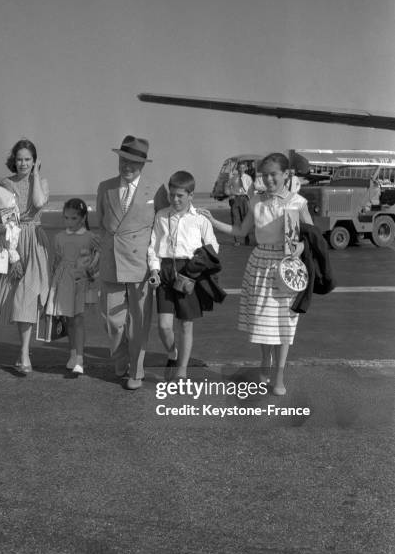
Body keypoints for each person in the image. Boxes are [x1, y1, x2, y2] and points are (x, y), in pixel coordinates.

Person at [199, 153, 313, 396]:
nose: (269, 179)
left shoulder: (298, 203)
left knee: (284, 324)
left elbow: (312, 239)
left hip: (287, 268)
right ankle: (266, 365)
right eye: (264, 175)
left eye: (274, 174)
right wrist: (212, 221)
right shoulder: (256, 202)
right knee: (263, 322)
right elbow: (240, 230)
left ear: (286, 174)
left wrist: (297, 250)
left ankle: (279, 375)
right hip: (260, 264)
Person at [0, 139, 50, 374]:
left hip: (35, 241)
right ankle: (22, 352)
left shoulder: (40, 182)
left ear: (34, 161)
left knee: (28, 297)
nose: (23, 163)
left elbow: (39, 202)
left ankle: (23, 354)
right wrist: (14, 256)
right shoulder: (5, 184)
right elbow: (1, 217)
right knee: (15, 298)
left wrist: (36, 175)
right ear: (14, 160)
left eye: (28, 159)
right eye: (20, 159)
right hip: (13, 241)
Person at [96, 135, 157, 390]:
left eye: (133, 162)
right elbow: (101, 222)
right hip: (111, 262)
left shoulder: (156, 190)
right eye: (123, 160)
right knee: (112, 321)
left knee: (139, 322)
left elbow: (160, 226)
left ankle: (137, 370)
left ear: (143, 165)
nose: (127, 167)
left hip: (140, 264)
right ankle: (120, 355)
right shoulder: (105, 187)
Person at [148, 171, 220, 380]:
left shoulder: (200, 219)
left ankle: (182, 371)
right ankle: (172, 353)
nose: (175, 199)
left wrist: (199, 264)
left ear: (191, 195)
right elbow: (153, 246)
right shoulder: (161, 215)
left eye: (180, 195)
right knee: (163, 325)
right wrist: (154, 269)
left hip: (189, 272)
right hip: (166, 270)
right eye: (172, 195)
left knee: (186, 324)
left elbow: (213, 246)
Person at [45, 199, 99, 375]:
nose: (69, 221)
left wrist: (93, 269)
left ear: (83, 218)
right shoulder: (59, 237)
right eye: (66, 218)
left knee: (78, 319)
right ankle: (72, 354)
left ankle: (80, 360)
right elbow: (56, 261)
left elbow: (99, 255)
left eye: (74, 218)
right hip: (63, 280)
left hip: (81, 280)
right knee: (68, 320)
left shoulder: (90, 237)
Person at [227, 161, 252, 246]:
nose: (241, 169)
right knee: (235, 219)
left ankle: (246, 238)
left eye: (243, 167)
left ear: (245, 168)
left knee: (245, 219)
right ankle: (236, 240)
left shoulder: (248, 178)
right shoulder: (233, 178)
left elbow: (251, 190)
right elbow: (227, 186)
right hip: (235, 199)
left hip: (244, 199)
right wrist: (231, 195)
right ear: (237, 169)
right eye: (239, 168)